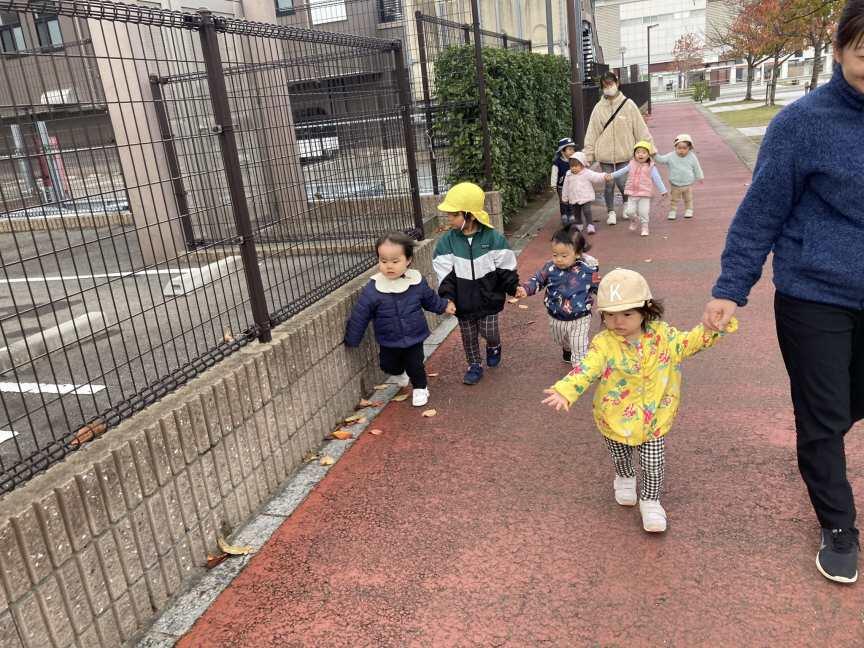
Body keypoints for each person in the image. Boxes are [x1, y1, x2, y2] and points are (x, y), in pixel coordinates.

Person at [702, 0, 864, 584]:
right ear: (840, 49)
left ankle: (820, 438)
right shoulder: (802, 124)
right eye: (863, 48)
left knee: (846, 405)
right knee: (822, 415)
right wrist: (730, 288)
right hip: (815, 291)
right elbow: (761, 212)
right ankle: (839, 523)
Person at [543, 268, 737, 533]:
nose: (617, 322)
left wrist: (711, 329)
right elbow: (587, 368)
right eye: (610, 315)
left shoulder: (663, 336)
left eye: (626, 314)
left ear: (646, 310)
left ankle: (650, 500)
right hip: (614, 416)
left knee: (653, 463)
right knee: (620, 455)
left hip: (654, 416)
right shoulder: (604, 344)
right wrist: (567, 389)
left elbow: (688, 343)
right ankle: (624, 476)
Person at [345, 232, 456, 407]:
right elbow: (361, 314)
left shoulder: (416, 282)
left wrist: (443, 306)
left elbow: (429, 299)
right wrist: (353, 337)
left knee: (415, 364)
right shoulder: (374, 288)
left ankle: (420, 388)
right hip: (388, 338)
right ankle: (399, 373)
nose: (389, 266)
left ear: (408, 259)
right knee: (388, 365)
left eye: (395, 261)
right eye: (383, 261)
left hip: (414, 335)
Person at [433, 182, 519, 385]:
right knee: (468, 336)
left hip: (489, 298)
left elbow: (506, 266)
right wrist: (448, 298)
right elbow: (444, 274)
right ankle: (474, 365)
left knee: (489, 331)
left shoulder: (493, 238)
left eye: (454, 215)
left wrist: (513, 287)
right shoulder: (448, 242)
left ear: (469, 215)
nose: (449, 219)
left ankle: (494, 344)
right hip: (463, 301)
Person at [515, 225, 599, 366]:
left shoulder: (589, 270)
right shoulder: (550, 268)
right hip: (556, 315)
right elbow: (538, 280)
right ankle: (567, 349)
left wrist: (607, 299)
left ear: (578, 254)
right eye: (555, 254)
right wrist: (525, 289)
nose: (558, 259)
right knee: (560, 339)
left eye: (564, 256)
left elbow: (599, 286)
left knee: (579, 348)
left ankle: (579, 372)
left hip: (580, 316)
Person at [583, 72, 654, 227]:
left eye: (611, 84)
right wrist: (588, 154)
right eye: (605, 86)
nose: (608, 88)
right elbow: (591, 132)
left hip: (625, 153)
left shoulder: (628, 105)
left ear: (617, 83)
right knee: (608, 184)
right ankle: (611, 212)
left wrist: (650, 149)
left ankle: (627, 203)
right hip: (605, 155)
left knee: (623, 182)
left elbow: (640, 129)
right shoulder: (598, 108)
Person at [606, 141, 668, 237]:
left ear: (648, 155)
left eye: (643, 152)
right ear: (634, 154)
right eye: (638, 152)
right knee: (629, 211)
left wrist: (663, 190)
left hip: (645, 194)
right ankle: (634, 220)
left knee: (644, 212)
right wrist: (612, 175)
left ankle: (644, 227)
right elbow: (622, 171)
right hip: (632, 192)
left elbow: (657, 178)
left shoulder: (651, 167)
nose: (640, 154)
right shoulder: (631, 164)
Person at [654, 133, 704, 220]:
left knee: (688, 198)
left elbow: (697, 167)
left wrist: (699, 176)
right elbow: (661, 159)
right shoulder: (671, 156)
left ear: (689, 148)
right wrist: (654, 154)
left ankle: (689, 209)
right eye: (679, 148)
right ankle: (672, 211)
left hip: (687, 183)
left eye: (685, 148)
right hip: (675, 183)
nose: (681, 150)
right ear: (675, 147)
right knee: (674, 199)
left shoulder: (692, 156)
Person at [560, 152, 607, 234]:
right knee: (576, 212)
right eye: (571, 166)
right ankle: (579, 224)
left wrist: (604, 176)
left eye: (576, 166)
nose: (573, 168)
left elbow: (596, 176)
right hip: (574, 197)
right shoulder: (568, 174)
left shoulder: (586, 173)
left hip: (586, 196)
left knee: (587, 210)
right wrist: (564, 197)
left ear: (582, 165)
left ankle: (590, 225)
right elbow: (565, 186)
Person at [551, 137, 577, 227]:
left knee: (572, 200)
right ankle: (564, 215)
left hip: (572, 185)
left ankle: (572, 214)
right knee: (563, 201)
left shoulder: (574, 160)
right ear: (562, 151)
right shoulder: (557, 162)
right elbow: (554, 174)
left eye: (573, 149)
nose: (572, 151)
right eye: (569, 149)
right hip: (561, 186)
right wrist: (553, 184)